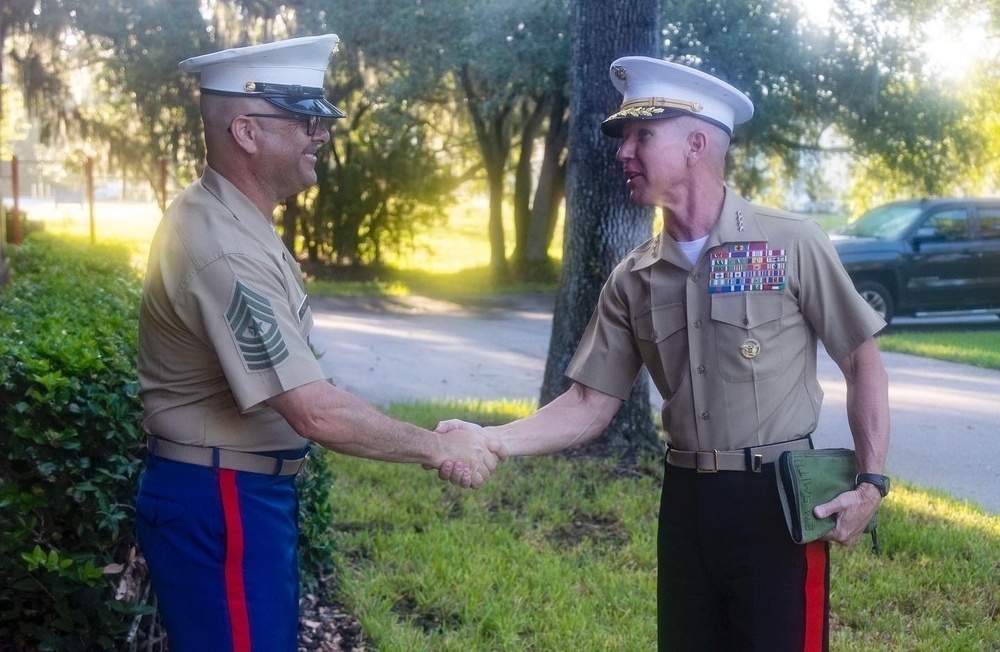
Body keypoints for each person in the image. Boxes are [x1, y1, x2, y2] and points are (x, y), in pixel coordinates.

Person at [437, 56, 890, 651]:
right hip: (686, 505)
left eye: (641, 135)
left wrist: (871, 482)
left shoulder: (789, 243)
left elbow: (861, 360)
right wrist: (495, 439)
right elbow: (587, 403)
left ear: (696, 143)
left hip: (776, 502)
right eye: (624, 137)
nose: (623, 152)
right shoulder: (634, 279)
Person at [135, 34, 506, 652]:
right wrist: (437, 446)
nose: (321, 134)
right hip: (222, 501)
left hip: (238, 494)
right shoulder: (222, 245)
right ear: (247, 132)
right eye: (304, 120)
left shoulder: (233, 222)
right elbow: (313, 408)